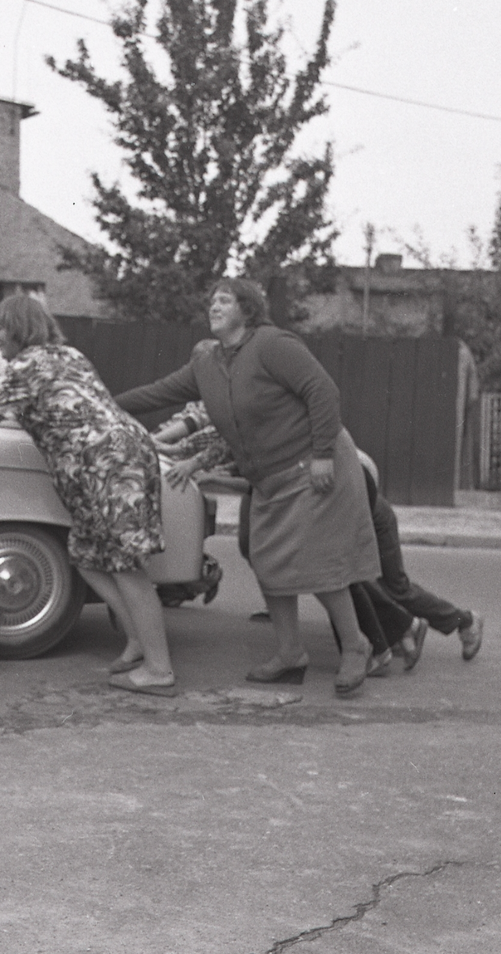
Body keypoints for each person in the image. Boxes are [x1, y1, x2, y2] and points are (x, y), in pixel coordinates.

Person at [116, 278, 380, 695]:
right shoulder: (207, 363)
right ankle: (291, 653)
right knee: (267, 562)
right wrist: (105, 404)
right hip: (269, 479)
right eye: (211, 300)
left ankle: (355, 645)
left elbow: (322, 391)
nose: (214, 306)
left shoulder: (272, 345)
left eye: (224, 299)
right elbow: (157, 393)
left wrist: (323, 454)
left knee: (320, 564)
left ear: (248, 308)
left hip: (312, 467)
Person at [0, 294, 177, 695]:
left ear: (20, 329)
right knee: (88, 558)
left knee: (126, 565)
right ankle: (136, 641)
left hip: (106, 464)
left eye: (1, 328)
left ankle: (159, 670)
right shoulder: (69, 355)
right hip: (118, 456)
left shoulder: (22, 368)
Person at [363, 465, 484, 666]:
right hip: (363, 517)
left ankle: (466, 621)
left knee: (396, 588)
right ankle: (397, 634)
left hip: (374, 520)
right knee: (371, 584)